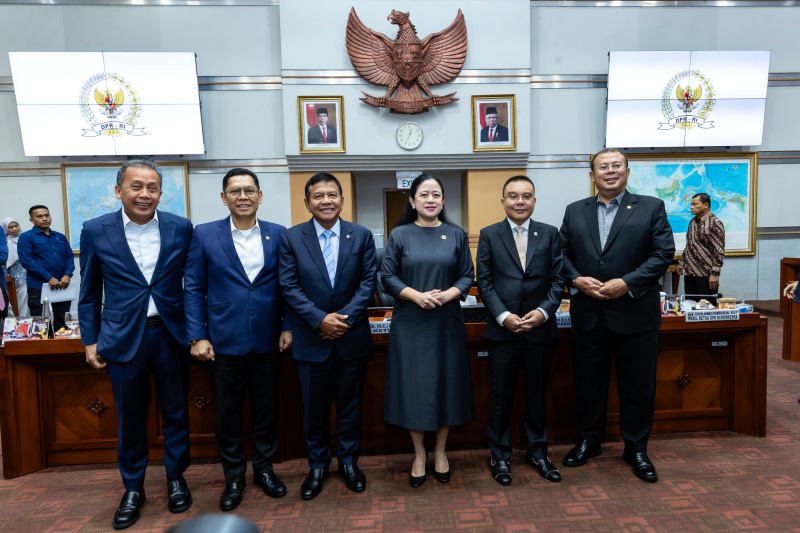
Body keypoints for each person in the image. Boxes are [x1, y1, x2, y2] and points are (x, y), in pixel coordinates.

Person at [79, 160, 194, 529]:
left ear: (161, 193)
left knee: (176, 411)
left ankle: (176, 478)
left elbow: (191, 285)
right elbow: (89, 292)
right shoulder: (96, 230)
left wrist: (195, 331)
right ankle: (133, 488)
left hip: (170, 334)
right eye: (136, 186)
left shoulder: (180, 227)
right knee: (130, 418)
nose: (144, 194)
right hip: (122, 337)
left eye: (152, 187)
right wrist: (90, 340)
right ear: (119, 191)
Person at [559, 148, 675, 483]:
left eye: (616, 165)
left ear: (626, 171)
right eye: (602, 167)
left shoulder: (651, 207)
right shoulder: (574, 211)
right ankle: (589, 441)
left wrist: (627, 283)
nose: (610, 171)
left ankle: (636, 448)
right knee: (588, 384)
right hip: (589, 313)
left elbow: (663, 253)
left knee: (638, 386)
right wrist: (575, 279)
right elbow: (562, 254)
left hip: (635, 313)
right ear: (592, 174)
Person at [184, 168, 291, 511]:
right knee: (227, 414)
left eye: (249, 191)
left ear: (260, 196)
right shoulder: (204, 234)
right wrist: (197, 335)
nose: (242, 197)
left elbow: (288, 287)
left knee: (266, 409)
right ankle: (233, 477)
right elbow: (194, 288)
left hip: (268, 340)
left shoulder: (279, 234)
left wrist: (288, 326)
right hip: (222, 341)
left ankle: (264, 469)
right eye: (235, 191)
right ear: (223, 197)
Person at [278, 172, 377, 500]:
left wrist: (342, 319)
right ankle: (317, 466)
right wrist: (320, 320)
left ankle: (349, 462)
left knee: (351, 408)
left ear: (342, 200)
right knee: (314, 411)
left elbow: (368, 283)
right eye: (318, 196)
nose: (326, 201)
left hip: (351, 338)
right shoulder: (292, 238)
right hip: (311, 339)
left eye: (332, 195)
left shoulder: (361, 235)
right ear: (307, 202)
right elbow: (289, 287)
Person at [381, 173, 475, 488]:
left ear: (443, 201)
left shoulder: (456, 234)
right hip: (410, 321)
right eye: (424, 194)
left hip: (446, 322)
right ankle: (420, 454)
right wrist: (415, 295)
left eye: (436, 194)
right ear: (412, 201)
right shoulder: (400, 234)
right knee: (414, 389)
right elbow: (387, 276)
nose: (430, 199)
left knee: (446, 385)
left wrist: (449, 294)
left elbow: (467, 275)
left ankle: (442, 451)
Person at [476, 175, 565, 486]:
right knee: (500, 396)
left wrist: (542, 313)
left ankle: (538, 452)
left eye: (526, 196)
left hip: (540, 330)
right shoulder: (489, 235)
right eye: (513, 196)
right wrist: (503, 316)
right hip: (504, 332)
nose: (519, 201)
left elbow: (558, 280)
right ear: (503, 201)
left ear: (534, 201)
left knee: (538, 395)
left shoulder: (551, 234)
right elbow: (483, 282)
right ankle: (499, 455)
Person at [17, 205, 74, 330]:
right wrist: (49, 277)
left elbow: (69, 257)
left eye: (46, 215)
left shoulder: (60, 237)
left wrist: (68, 274)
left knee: (63, 322)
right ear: (31, 220)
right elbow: (27, 261)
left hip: (61, 285)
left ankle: (63, 348)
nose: (44, 218)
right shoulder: (26, 237)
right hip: (39, 287)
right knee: (40, 325)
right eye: (39, 216)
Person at [678, 193, 725, 305]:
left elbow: (719, 250)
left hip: (706, 274)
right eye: (691, 204)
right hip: (690, 272)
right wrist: (682, 262)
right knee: (689, 306)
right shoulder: (693, 222)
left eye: (695, 204)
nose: (691, 207)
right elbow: (689, 244)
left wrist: (715, 273)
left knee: (707, 308)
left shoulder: (715, 223)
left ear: (705, 205)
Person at [2, 217, 29, 316]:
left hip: (27, 276)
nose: (14, 229)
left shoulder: (27, 238)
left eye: (16, 226)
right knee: (15, 305)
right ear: (6, 229)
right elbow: (4, 263)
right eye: (11, 227)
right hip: (12, 279)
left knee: (27, 304)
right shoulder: (5, 242)